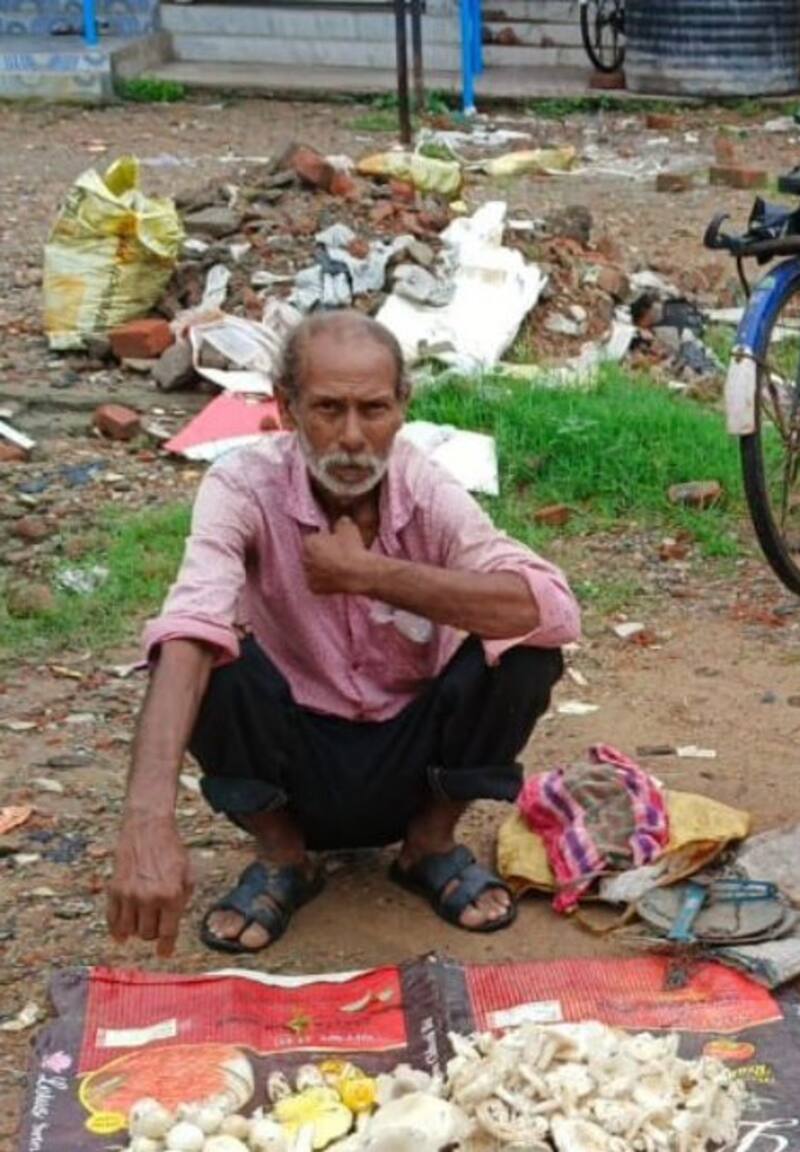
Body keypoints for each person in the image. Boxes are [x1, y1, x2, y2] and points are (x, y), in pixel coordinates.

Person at [106, 311, 581, 956]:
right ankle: (284, 858)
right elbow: (189, 625)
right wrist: (146, 821)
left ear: (402, 408)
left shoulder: (425, 488)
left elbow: (551, 608)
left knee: (525, 650)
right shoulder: (242, 486)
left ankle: (428, 847)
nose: (353, 437)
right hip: (295, 765)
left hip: (414, 765)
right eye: (329, 409)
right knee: (206, 655)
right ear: (286, 408)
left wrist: (370, 574)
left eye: (374, 409)